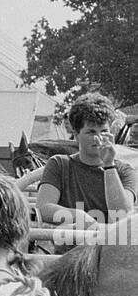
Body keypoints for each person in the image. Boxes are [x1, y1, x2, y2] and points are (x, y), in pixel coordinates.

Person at [36, 91, 137, 231]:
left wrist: (109, 165)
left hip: (109, 248)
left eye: (104, 131)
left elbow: (122, 215)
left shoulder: (125, 171)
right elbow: (44, 208)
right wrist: (80, 217)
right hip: (69, 248)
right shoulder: (59, 164)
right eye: (91, 132)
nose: (99, 138)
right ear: (76, 135)